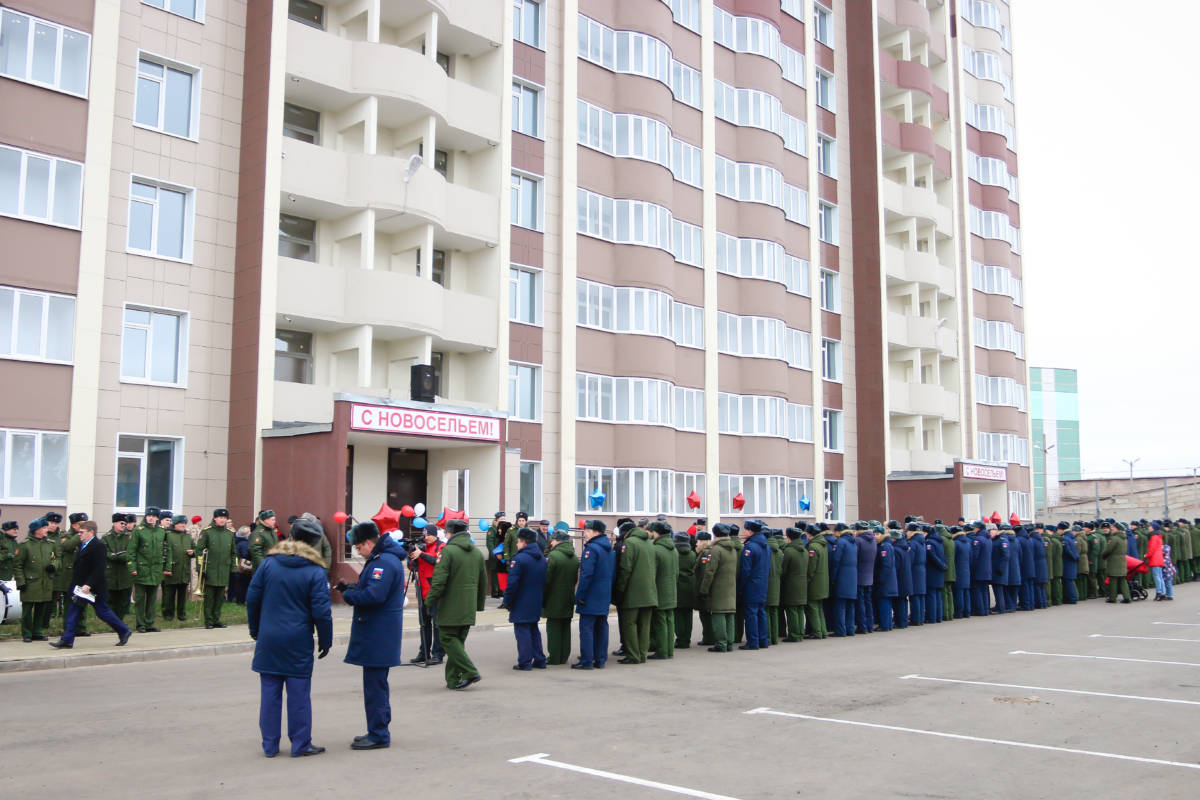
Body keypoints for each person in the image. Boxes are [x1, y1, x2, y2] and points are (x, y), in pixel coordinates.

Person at [247, 518, 332, 758]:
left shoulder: (269, 564)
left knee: (269, 694)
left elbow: (252, 598)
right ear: (313, 544)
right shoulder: (315, 571)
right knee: (299, 695)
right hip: (298, 639)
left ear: (291, 538)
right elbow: (322, 612)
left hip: (269, 637)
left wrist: (256, 629)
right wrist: (325, 639)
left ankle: (270, 746)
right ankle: (300, 744)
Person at [334, 521, 406, 749]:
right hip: (379, 633)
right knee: (376, 685)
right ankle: (377, 729)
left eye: (358, 547)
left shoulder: (383, 562)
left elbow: (374, 596)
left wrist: (349, 596)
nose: (358, 552)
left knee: (375, 688)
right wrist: (351, 588)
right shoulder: (382, 560)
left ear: (368, 542)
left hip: (378, 634)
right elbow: (371, 589)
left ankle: (378, 734)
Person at [424, 518, 487, 690]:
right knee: (457, 643)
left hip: (450, 607)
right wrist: (478, 605)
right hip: (468, 607)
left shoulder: (447, 551)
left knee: (447, 639)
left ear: (449, 532)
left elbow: (439, 582)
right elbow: (483, 582)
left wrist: (429, 601)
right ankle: (452, 679)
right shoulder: (477, 553)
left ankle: (470, 671)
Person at [50, 522, 133, 648]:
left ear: (91, 532)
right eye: (79, 532)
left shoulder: (98, 546)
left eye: (82, 532)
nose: (79, 535)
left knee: (102, 612)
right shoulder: (84, 544)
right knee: (73, 612)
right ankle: (67, 640)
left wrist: (89, 585)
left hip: (93, 587)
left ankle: (124, 630)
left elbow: (99, 568)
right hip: (80, 587)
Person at [502, 528, 547, 670]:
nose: (516, 544)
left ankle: (525, 661)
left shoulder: (519, 559)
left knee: (522, 631)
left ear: (524, 542)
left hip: (521, 600)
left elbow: (512, 583)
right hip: (536, 599)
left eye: (518, 541)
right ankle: (539, 659)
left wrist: (507, 601)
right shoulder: (541, 558)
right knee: (533, 629)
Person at [573, 520, 614, 670]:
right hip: (604, 594)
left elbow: (586, 575)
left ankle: (587, 660)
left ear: (596, 532)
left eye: (587, 531)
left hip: (591, 595)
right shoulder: (610, 550)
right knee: (601, 627)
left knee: (587, 628)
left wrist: (580, 595)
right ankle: (600, 659)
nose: (585, 533)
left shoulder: (591, 550)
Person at [615, 521, 657, 664]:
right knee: (645, 625)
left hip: (633, 592)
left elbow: (625, 568)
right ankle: (643, 654)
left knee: (629, 623)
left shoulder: (629, 543)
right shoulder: (650, 544)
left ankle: (633, 655)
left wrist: (620, 589)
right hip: (649, 591)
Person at [129, 507, 172, 632]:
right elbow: (131, 550)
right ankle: (140, 624)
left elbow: (167, 550)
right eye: (149, 516)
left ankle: (149, 623)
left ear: (158, 518)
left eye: (153, 516)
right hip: (142, 569)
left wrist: (167, 567)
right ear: (145, 516)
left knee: (152, 599)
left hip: (156, 570)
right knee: (140, 599)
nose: (151, 518)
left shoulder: (162, 531)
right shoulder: (138, 530)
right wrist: (132, 567)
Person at [14, 518, 57, 642]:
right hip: (30, 583)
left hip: (45, 581)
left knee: (41, 608)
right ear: (36, 530)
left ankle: (37, 632)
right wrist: (21, 582)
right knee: (27, 610)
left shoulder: (50, 544)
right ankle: (27, 633)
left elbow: (56, 558)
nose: (47, 529)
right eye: (44, 528)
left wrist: (53, 565)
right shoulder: (25, 545)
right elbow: (17, 565)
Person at [195, 509, 239, 628]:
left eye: (224, 518)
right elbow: (199, 551)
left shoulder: (229, 533)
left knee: (220, 597)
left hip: (224, 569)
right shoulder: (207, 532)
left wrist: (234, 567)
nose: (222, 520)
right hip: (210, 569)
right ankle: (208, 621)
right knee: (209, 597)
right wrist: (201, 568)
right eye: (220, 518)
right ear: (215, 518)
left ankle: (216, 619)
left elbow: (234, 553)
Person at [408, 527, 445, 665]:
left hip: (435, 591)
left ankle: (438, 654)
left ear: (435, 535)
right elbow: (412, 567)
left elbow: (437, 561)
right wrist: (411, 557)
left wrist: (421, 554)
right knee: (424, 624)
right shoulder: (421, 547)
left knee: (437, 625)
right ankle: (424, 653)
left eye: (429, 535)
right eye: (425, 535)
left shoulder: (441, 546)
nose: (426, 537)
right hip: (422, 589)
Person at [699, 524, 738, 652]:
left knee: (718, 615)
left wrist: (704, 589)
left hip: (718, 589)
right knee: (729, 615)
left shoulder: (716, 550)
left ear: (715, 535)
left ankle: (721, 643)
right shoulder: (733, 549)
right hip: (730, 587)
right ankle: (729, 643)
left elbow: (710, 572)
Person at [542, 529, 578, 665]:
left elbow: (546, 579)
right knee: (565, 627)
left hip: (553, 597)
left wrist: (543, 597)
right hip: (568, 596)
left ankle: (555, 657)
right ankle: (564, 656)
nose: (551, 543)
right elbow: (575, 579)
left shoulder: (553, 556)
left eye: (552, 540)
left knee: (553, 628)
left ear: (557, 541)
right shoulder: (574, 557)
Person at [648, 521, 679, 659]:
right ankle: (669, 650)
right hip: (671, 590)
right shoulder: (674, 549)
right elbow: (676, 572)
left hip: (659, 590)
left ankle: (662, 651)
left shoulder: (655, 550)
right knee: (670, 620)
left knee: (660, 622)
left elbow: (651, 573)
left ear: (656, 533)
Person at [737, 521, 770, 650]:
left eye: (745, 530)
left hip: (751, 585)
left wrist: (740, 587)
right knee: (761, 613)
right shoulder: (765, 546)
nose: (744, 532)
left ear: (751, 531)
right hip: (763, 584)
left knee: (751, 614)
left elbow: (745, 570)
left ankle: (753, 642)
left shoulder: (750, 547)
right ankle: (763, 640)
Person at [161, 515, 195, 622]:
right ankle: (168, 615)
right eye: (180, 523)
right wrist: (166, 568)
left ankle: (181, 614)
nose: (183, 525)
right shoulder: (168, 535)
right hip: (172, 570)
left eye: (184, 523)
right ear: (175, 524)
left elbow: (195, 549)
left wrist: (193, 552)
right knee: (169, 595)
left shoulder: (188, 536)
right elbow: (163, 552)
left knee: (182, 595)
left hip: (184, 570)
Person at [103, 513, 135, 622]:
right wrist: (113, 556)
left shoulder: (130, 537)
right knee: (111, 600)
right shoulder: (106, 537)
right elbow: (104, 552)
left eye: (125, 523)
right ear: (114, 523)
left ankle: (120, 620)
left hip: (125, 573)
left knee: (124, 600)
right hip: (111, 573)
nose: (123, 525)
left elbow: (131, 552)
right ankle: (112, 621)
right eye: (121, 523)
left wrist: (119, 556)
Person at [780, 527, 809, 641]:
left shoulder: (789, 551)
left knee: (791, 610)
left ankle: (794, 634)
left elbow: (783, 570)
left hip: (791, 585)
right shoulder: (805, 551)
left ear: (789, 538)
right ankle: (800, 633)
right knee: (800, 609)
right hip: (803, 584)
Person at [805, 525, 829, 639]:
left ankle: (817, 632)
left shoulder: (813, 546)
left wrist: (807, 579)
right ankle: (823, 631)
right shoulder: (823, 544)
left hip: (815, 581)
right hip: (823, 580)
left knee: (813, 607)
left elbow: (811, 567)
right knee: (819, 608)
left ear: (810, 534)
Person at [672, 533, 696, 650]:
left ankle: (681, 639)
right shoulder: (692, 554)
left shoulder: (674, 553)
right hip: (690, 585)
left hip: (678, 586)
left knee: (678, 615)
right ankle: (687, 638)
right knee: (688, 614)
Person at [872, 527, 897, 631]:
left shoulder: (884, 546)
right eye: (874, 534)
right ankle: (887, 624)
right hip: (888, 580)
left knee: (884, 603)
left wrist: (880, 579)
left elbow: (886, 565)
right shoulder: (886, 545)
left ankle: (885, 625)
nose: (875, 536)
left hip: (886, 581)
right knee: (885, 603)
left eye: (877, 534)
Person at [692, 533, 715, 647]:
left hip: (705, 588)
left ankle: (708, 637)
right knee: (705, 614)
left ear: (703, 541)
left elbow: (705, 573)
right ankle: (708, 637)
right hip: (706, 588)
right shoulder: (707, 552)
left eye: (698, 541)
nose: (696, 544)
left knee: (705, 614)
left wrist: (703, 590)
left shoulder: (706, 553)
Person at [1101, 522, 1131, 603]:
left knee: (1113, 580)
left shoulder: (1114, 538)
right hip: (1122, 561)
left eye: (1113, 528)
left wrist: (1103, 555)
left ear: (1117, 529)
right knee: (1122, 580)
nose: (1112, 529)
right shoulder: (1124, 538)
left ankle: (1112, 598)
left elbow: (1108, 550)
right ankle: (1127, 597)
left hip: (1114, 562)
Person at [249, 510, 279, 574]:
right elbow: (255, 551)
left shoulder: (272, 531)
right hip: (263, 568)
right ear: (266, 520)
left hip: (273, 565)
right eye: (272, 520)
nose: (274, 521)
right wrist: (264, 565)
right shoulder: (258, 533)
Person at [230, 525, 252, 604]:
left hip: (237, 565)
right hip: (243, 566)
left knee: (238, 584)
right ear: (246, 533)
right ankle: (241, 600)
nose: (251, 533)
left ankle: (236, 599)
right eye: (249, 532)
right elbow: (245, 554)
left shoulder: (237, 541)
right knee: (243, 584)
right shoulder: (244, 543)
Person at [485, 512, 505, 598]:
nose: (503, 521)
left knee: (502, 574)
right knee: (495, 575)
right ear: (497, 520)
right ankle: (495, 592)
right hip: (495, 556)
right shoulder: (492, 530)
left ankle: (501, 591)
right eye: (501, 519)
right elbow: (490, 544)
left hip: (503, 556)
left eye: (504, 519)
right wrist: (495, 554)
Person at [1147, 524, 1166, 600]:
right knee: (1160, 576)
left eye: (1150, 526)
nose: (1149, 527)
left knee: (1157, 576)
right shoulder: (1158, 536)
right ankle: (1163, 592)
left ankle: (1159, 592)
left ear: (1153, 528)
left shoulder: (1153, 537)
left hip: (1155, 559)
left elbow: (1152, 548)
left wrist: (1147, 555)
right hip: (1159, 558)